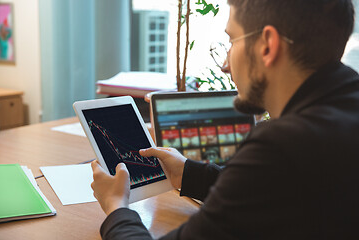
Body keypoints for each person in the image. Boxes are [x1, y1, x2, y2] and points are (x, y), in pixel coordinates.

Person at [91, 0, 359, 239]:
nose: (225, 65)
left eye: (232, 40)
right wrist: (190, 174)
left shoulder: (283, 145)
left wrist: (116, 208)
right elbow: (268, 187)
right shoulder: (344, 106)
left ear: (267, 45)